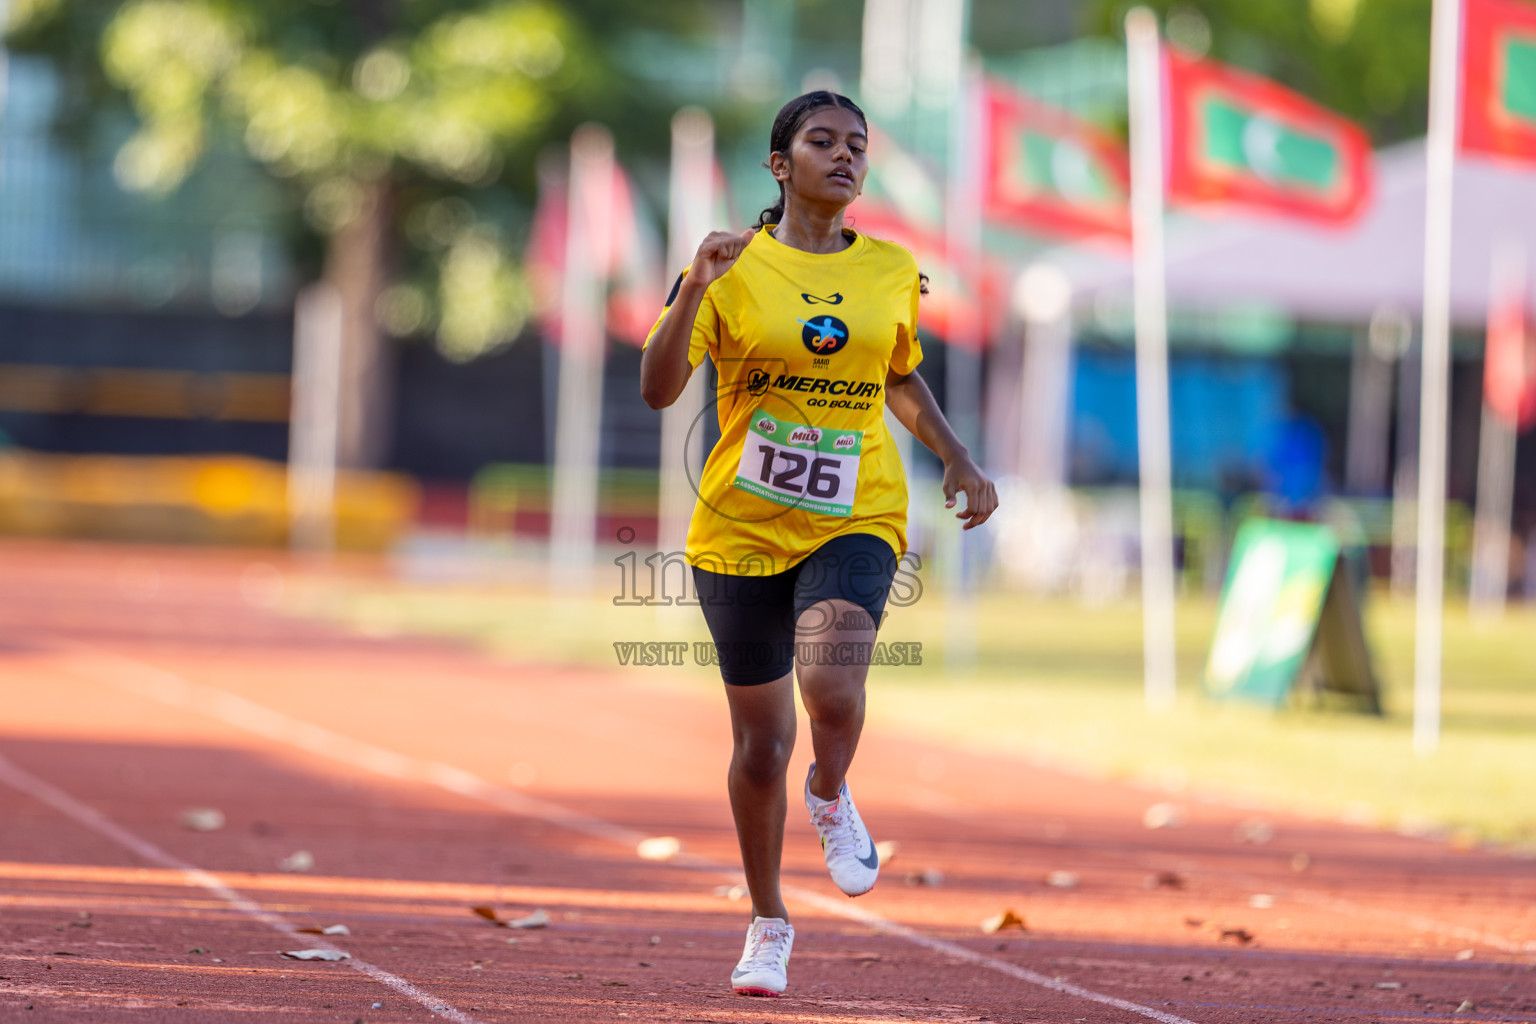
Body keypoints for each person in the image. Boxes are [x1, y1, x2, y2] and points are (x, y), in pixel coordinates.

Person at [640, 90, 997, 998]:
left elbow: (900, 376)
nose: (844, 157)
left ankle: (831, 794)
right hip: (738, 530)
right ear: (779, 163)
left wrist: (955, 456)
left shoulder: (890, 269)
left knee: (831, 684)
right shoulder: (731, 264)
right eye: (821, 141)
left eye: (857, 147)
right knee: (761, 745)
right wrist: (695, 288)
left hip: (857, 513)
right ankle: (768, 921)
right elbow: (658, 386)